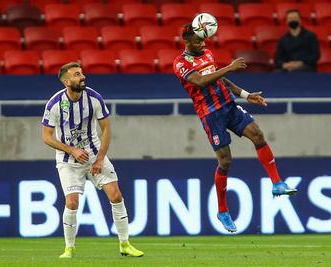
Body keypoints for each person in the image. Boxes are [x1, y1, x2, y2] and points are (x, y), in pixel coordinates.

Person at [173, 25, 298, 233]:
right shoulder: (180, 63)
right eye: (198, 41)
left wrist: (247, 95)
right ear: (186, 41)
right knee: (226, 161)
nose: (203, 43)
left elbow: (220, 79)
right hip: (210, 114)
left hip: (228, 105)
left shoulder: (208, 54)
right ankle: (222, 211)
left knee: (257, 134)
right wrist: (230, 67)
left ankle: (277, 183)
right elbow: (201, 81)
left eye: (203, 40)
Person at [41, 62, 144, 258]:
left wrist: (100, 159)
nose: (82, 77)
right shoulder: (54, 104)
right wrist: (72, 150)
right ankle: (69, 248)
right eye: (77, 74)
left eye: (82, 73)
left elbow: (106, 128)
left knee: (116, 195)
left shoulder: (94, 98)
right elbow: (46, 137)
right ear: (66, 81)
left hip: (95, 155)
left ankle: (125, 244)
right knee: (71, 202)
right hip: (68, 160)